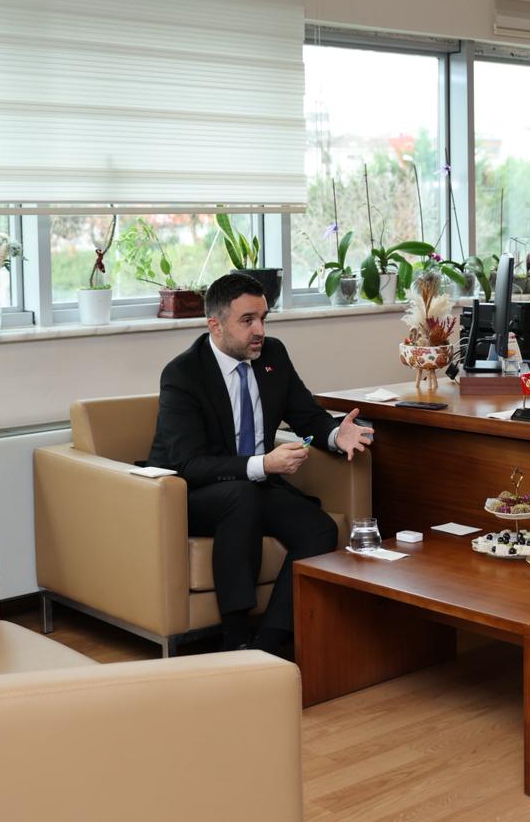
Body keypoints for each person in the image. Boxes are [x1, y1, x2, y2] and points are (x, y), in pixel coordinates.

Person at [146, 271, 373, 656]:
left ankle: (270, 642)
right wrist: (264, 464)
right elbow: (190, 464)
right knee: (241, 497)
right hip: (188, 493)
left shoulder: (273, 355)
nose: (260, 331)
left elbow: (307, 416)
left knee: (318, 528)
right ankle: (235, 637)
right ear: (215, 325)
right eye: (248, 320)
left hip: (252, 486)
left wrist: (337, 435)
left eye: (264, 318)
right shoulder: (184, 374)